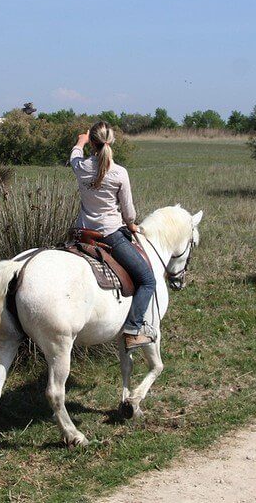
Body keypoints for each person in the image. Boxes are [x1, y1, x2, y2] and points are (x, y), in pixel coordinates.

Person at [69, 121, 157, 350]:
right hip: (109, 236)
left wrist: (81, 141)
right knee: (148, 280)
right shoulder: (119, 173)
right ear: (111, 143)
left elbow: (75, 156)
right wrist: (132, 224)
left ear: (93, 143)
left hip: (83, 234)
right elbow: (129, 212)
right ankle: (133, 329)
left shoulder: (80, 167)